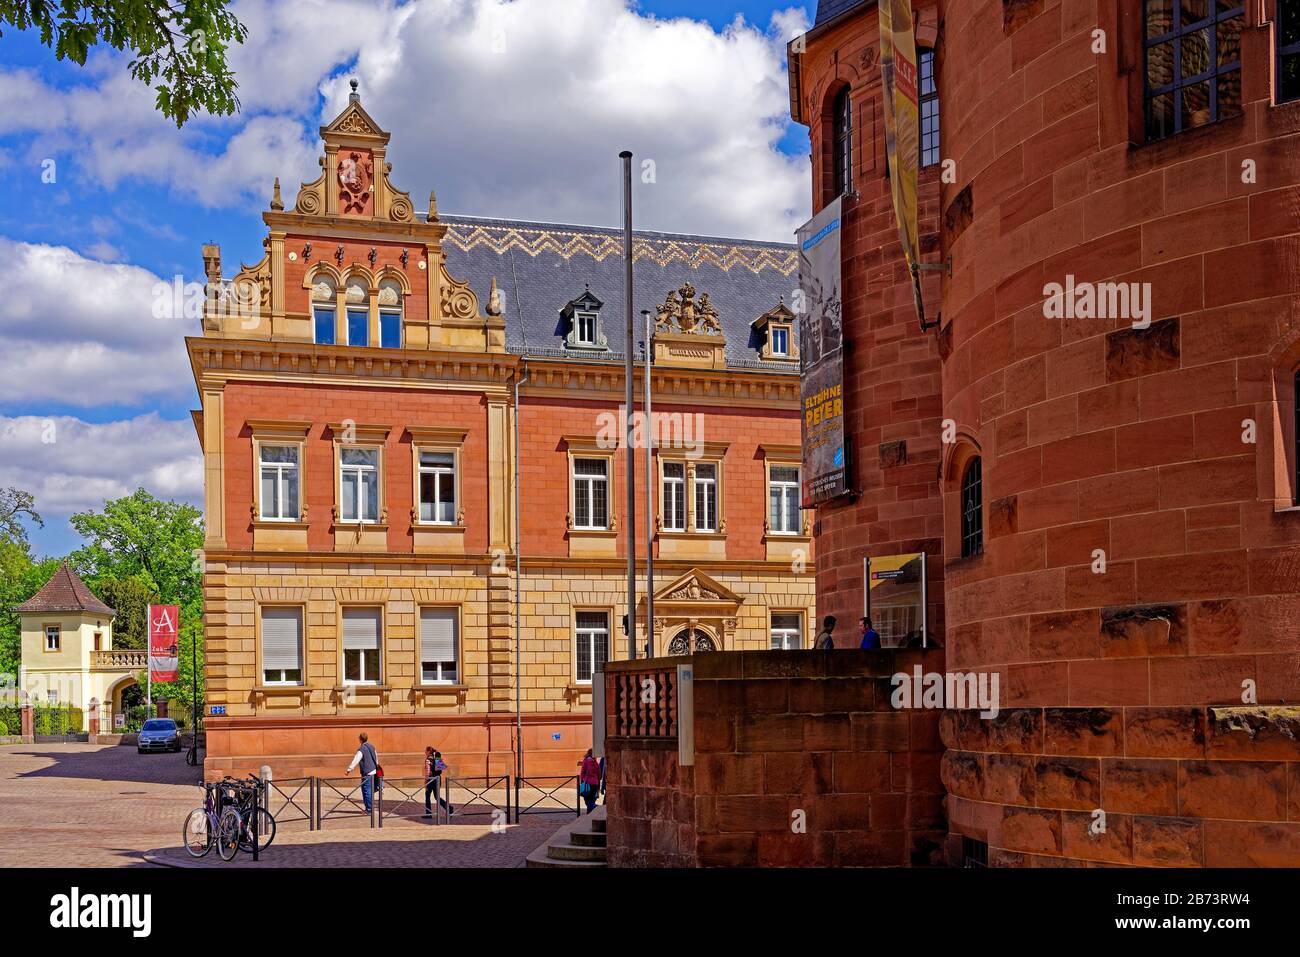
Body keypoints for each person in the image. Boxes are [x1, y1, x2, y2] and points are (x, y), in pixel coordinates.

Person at [345, 732, 380, 814]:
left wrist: (349, 770)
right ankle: (369, 808)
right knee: (369, 791)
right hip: (374, 772)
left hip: (367, 773)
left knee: (366, 791)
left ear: (360, 739)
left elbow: (356, 760)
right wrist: (375, 767)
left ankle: (369, 810)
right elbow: (376, 758)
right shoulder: (372, 747)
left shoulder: (362, 749)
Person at [422, 746, 453, 818]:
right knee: (437, 797)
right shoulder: (436, 759)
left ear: (428, 752)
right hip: (437, 779)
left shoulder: (428, 760)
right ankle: (449, 808)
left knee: (427, 796)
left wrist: (426, 781)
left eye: (426, 751)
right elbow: (443, 768)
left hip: (431, 780)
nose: (425, 752)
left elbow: (428, 772)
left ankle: (428, 814)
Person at [578, 748, 601, 814]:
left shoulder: (586, 761)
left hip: (587, 783)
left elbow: (582, 772)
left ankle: (595, 807)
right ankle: (590, 812)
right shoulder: (595, 762)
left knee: (587, 799)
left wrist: (581, 782)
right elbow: (599, 774)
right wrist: (598, 783)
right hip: (595, 783)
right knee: (592, 798)